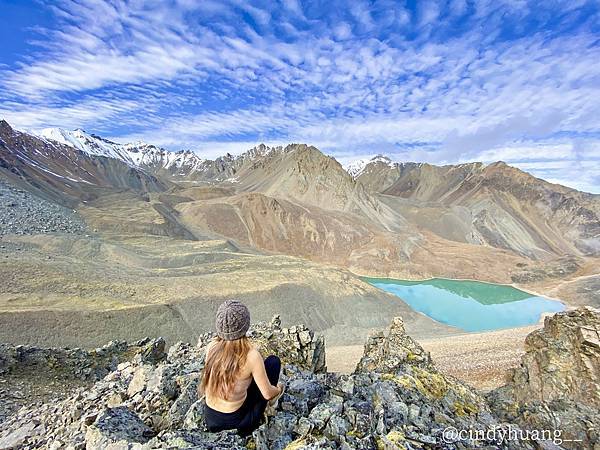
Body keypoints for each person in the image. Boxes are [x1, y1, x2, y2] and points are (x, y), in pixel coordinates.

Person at [199, 300, 284, 435]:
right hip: (238, 424)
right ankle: (269, 409)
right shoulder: (251, 356)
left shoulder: (211, 347)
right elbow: (267, 393)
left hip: (211, 419)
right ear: (245, 326)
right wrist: (278, 389)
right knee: (273, 363)